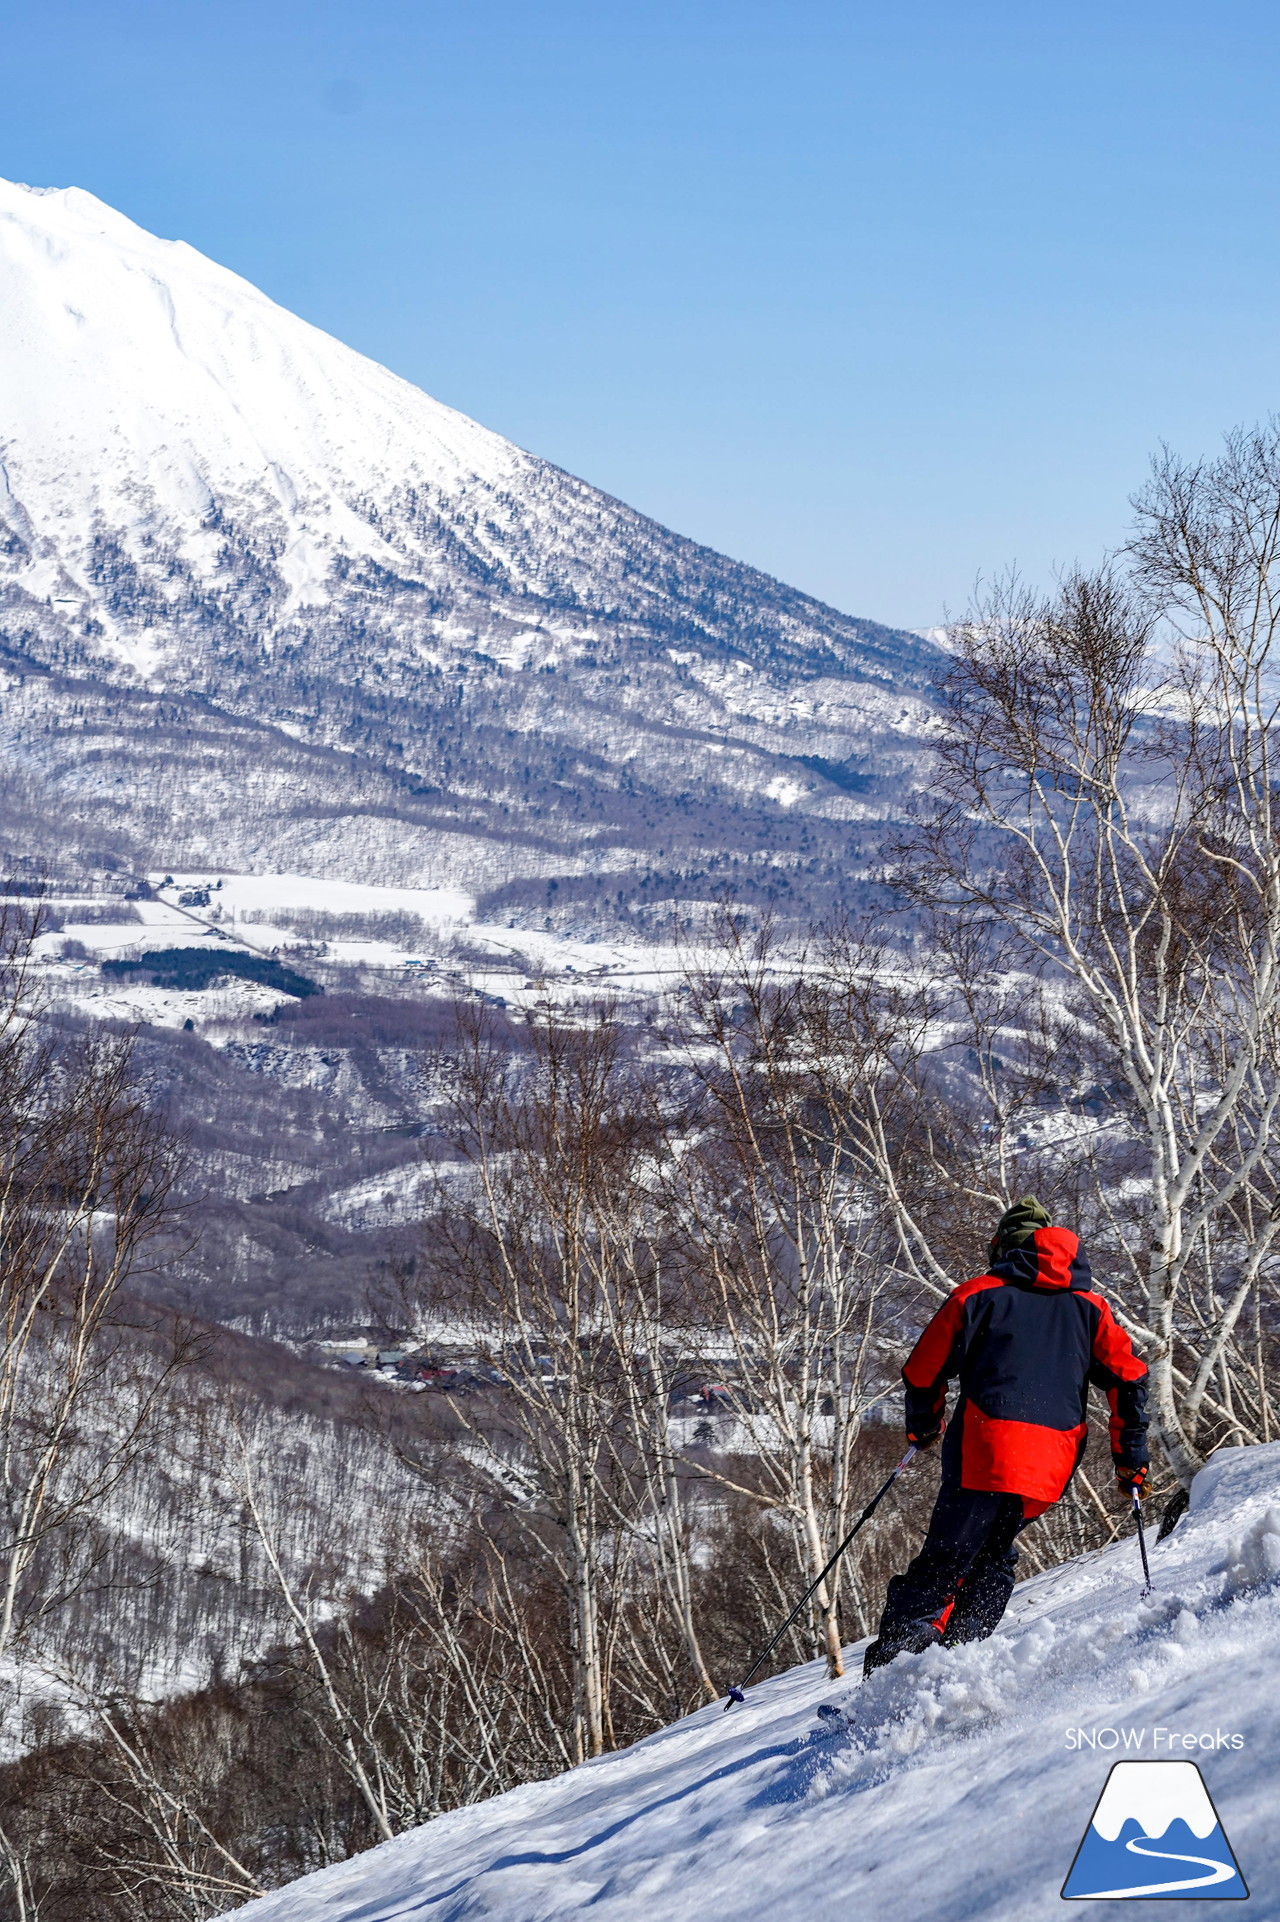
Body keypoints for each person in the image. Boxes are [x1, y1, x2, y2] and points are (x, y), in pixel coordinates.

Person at [863, 1197, 1149, 1675]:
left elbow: (921, 1371)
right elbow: (1130, 1378)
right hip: (1052, 1460)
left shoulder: (976, 1295)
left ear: (1002, 1247)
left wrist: (924, 1427)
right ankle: (956, 1666)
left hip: (986, 1448)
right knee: (993, 1555)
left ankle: (893, 1678)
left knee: (947, 1556)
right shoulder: (1092, 1308)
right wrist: (1130, 1461)